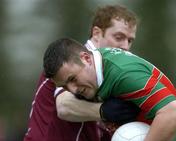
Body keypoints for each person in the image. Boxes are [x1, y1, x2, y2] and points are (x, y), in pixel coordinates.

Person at [24, 5, 139, 141]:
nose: (125, 46)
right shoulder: (69, 62)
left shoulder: (108, 73)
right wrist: (105, 111)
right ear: (96, 33)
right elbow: (64, 106)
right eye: (119, 37)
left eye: (130, 40)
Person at [43, 38, 176, 141]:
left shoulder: (124, 75)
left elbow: (173, 113)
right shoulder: (96, 70)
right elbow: (64, 108)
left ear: (86, 59)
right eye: (65, 87)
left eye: (72, 79)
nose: (73, 90)